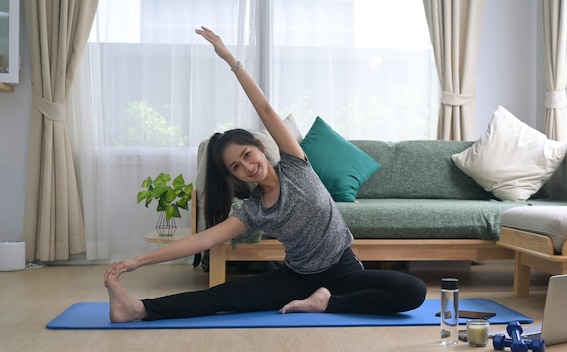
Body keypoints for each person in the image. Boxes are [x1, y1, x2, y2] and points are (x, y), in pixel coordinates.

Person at [103, 26, 427, 323]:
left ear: (259, 146)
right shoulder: (255, 210)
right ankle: (138, 308)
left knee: (413, 291)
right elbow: (202, 240)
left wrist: (230, 59)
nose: (247, 167)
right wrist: (138, 261)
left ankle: (327, 302)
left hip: (345, 271)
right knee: (221, 297)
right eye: (236, 167)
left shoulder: (296, 166)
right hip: (296, 279)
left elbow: (266, 111)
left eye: (247, 155)